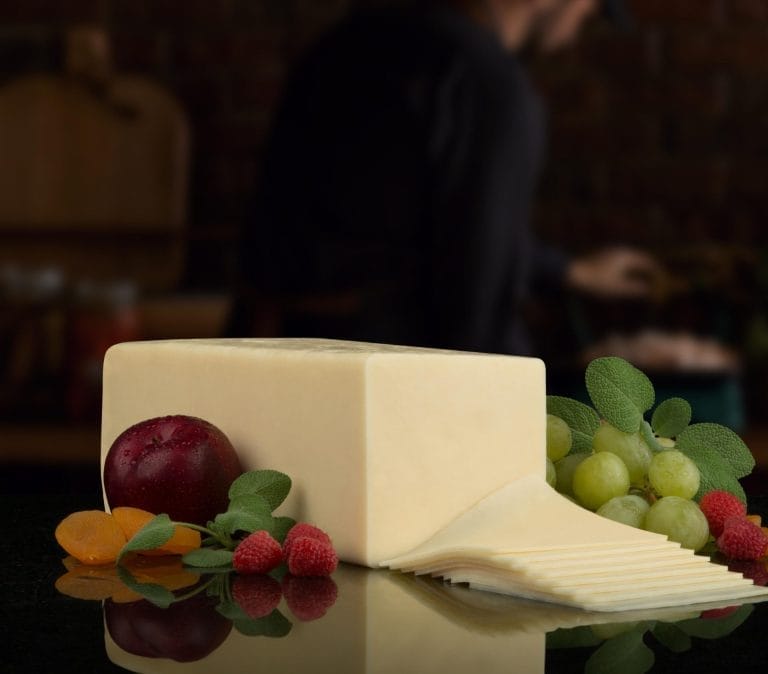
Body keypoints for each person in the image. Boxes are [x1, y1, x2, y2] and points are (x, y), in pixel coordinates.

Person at [227, 0, 657, 355]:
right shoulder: (488, 84)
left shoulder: (344, 42)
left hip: (262, 354)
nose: (576, 30)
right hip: (380, 371)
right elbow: (477, 302)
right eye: (589, 9)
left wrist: (567, 270)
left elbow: (387, 221)